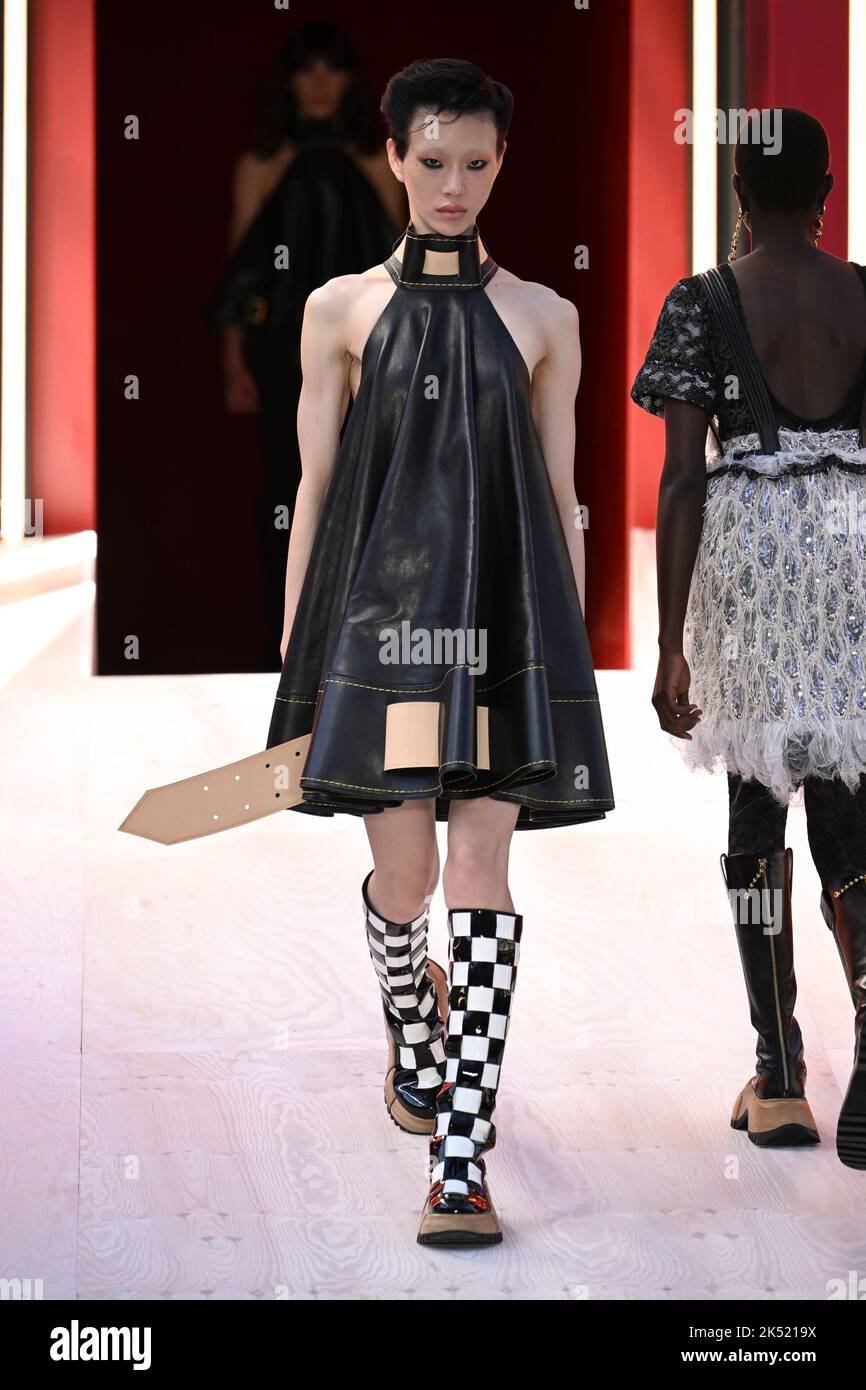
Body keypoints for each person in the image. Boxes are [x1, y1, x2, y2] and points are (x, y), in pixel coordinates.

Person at [265, 58, 615, 1245]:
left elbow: (560, 493)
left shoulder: (545, 317)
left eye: (474, 162)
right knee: (404, 881)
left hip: (500, 638)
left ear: (500, 162)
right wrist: (295, 636)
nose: (452, 184)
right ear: (393, 158)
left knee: (478, 878)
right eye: (430, 162)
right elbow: (315, 485)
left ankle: (460, 1163)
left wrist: (562, 664)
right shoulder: (338, 309)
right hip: (385, 642)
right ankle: (411, 1019)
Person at [631, 108, 866, 1170]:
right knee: (850, 807)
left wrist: (670, 642)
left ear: (735, 190)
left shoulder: (704, 301)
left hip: (758, 568)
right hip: (853, 555)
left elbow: (683, 476)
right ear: (825, 187)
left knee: (752, 809)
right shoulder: (863, 291)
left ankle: (777, 1075)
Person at [208, 21, 404, 665]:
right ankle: (290, 644)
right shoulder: (261, 167)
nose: (319, 81)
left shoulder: (380, 163)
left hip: (366, 351)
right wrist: (235, 360)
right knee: (289, 486)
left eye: (332, 67)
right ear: (290, 81)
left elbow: (402, 264)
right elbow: (241, 271)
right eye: (306, 68)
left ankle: (361, 650)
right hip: (280, 350)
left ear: (347, 80)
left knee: (370, 484)